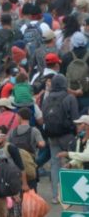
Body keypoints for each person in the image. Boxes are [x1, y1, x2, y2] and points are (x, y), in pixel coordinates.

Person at [42, 74, 79, 203]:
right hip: (67, 135)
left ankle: (55, 196)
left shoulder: (46, 99)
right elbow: (75, 118)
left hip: (52, 135)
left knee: (54, 164)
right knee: (73, 161)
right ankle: (72, 194)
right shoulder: (70, 97)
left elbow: (44, 116)